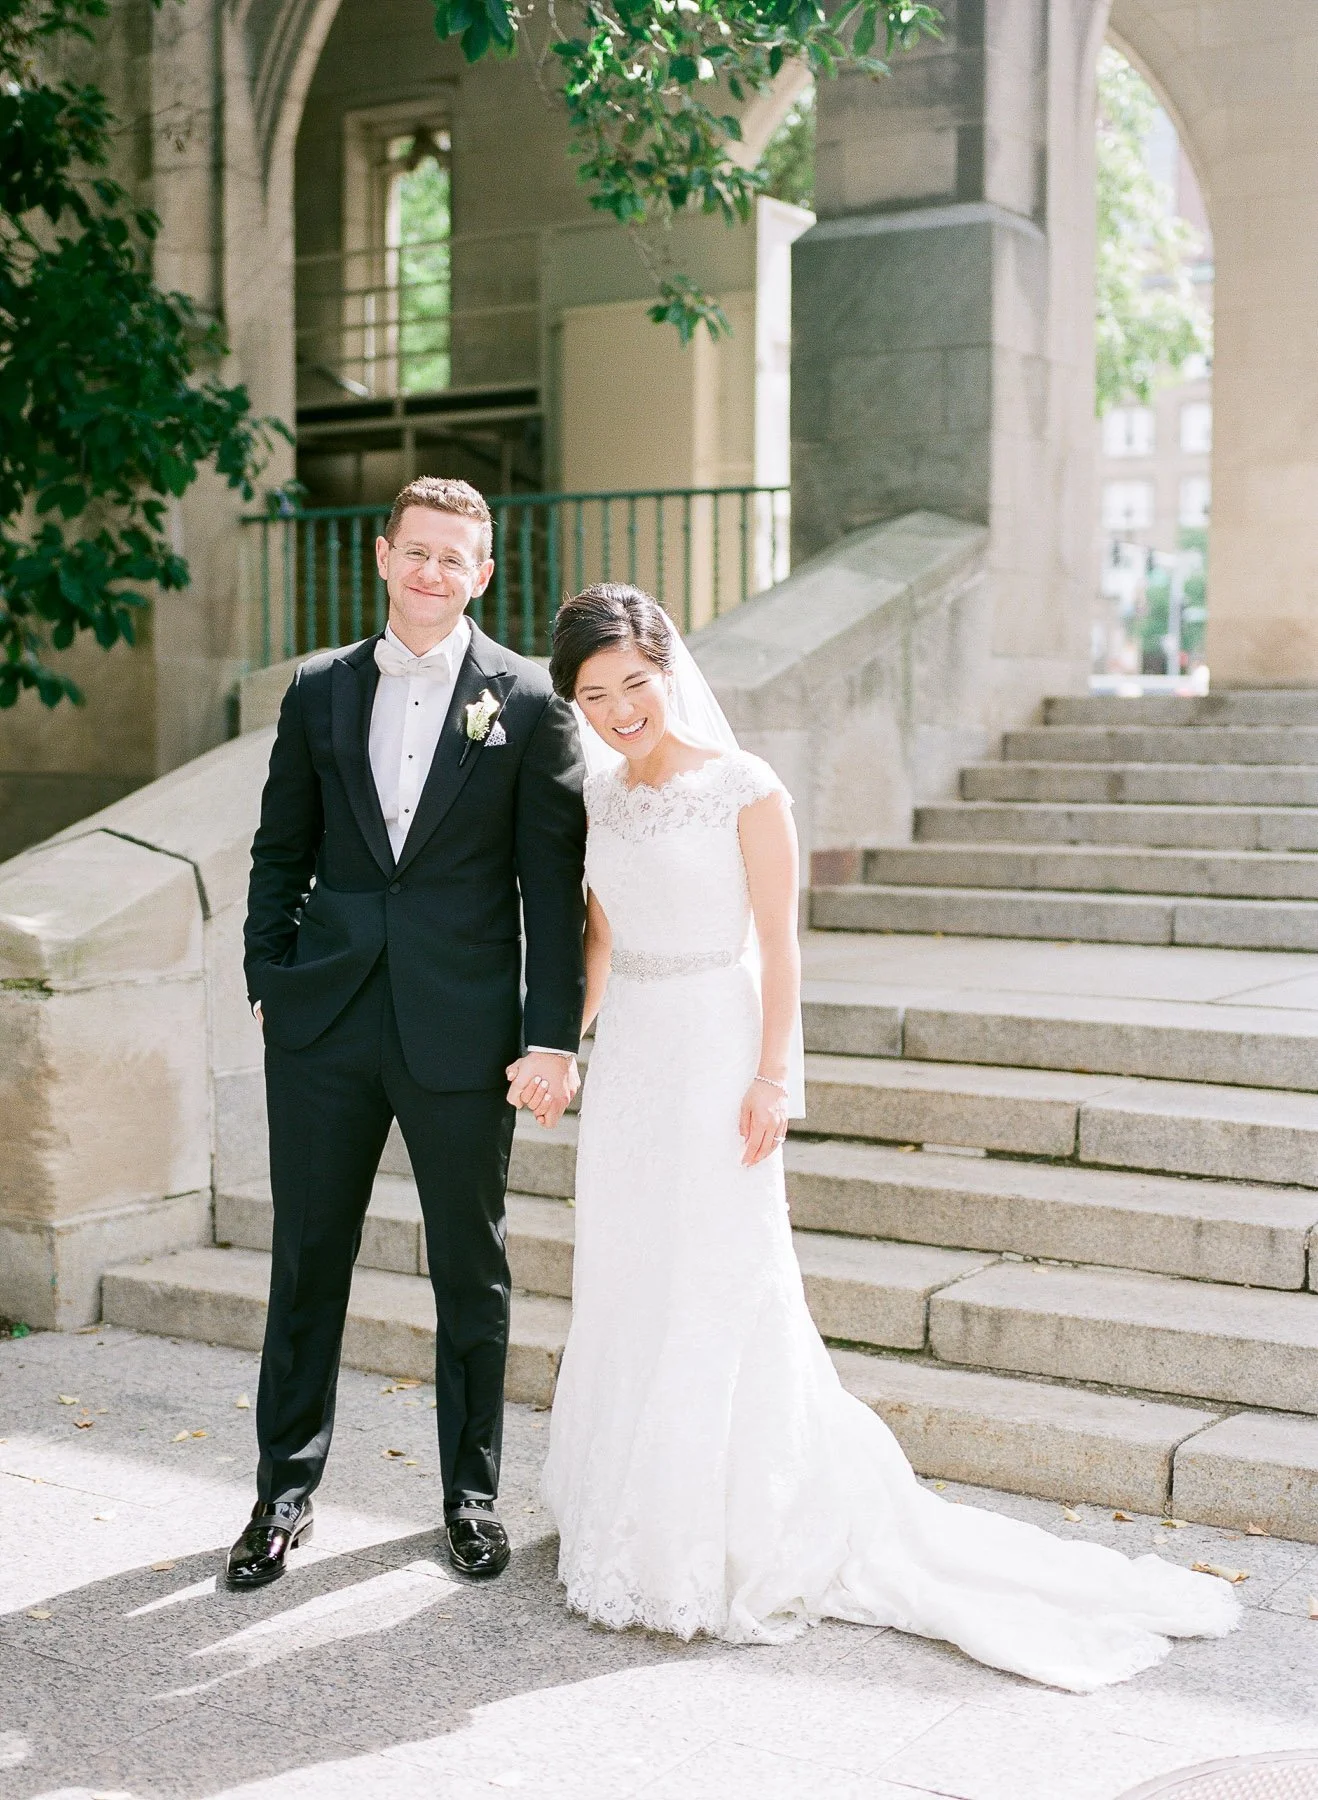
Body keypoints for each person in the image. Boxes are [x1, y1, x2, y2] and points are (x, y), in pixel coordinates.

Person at [524, 580, 1240, 1693]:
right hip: (635, 1069)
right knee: (630, 1273)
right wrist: (561, 1047)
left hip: (717, 1050)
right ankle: (627, 1509)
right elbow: (602, 943)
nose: (620, 710)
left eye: (634, 683)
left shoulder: (746, 787)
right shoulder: (603, 798)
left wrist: (773, 1078)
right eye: (594, 695)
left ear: (668, 670)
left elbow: (779, 947)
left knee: (716, 1278)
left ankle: (724, 1531)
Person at [229, 477, 586, 1589]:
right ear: (383, 557)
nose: (433, 572)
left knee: (471, 1269)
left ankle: (471, 1498)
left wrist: (550, 1037)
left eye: (455, 558)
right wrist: (268, 976)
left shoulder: (529, 702)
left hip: (463, 1029)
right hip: (324, 1023)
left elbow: (551, 891)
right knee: (307, 1262)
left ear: (483, 575)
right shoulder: (318, 688)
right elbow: (279, 848)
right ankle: (281, 1498)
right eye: (416, 551)